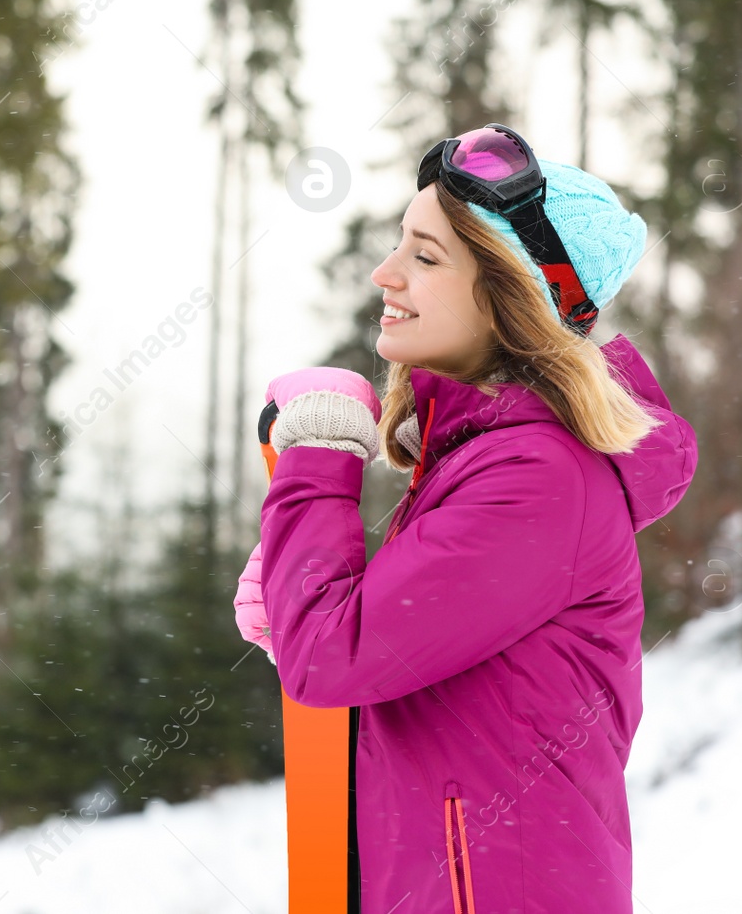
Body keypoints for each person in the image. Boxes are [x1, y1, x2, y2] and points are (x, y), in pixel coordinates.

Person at [234, 125, 698, 914]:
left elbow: (330, 658)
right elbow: (377, 661)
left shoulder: (538, 480)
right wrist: (305, 573)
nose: (386, 274)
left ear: (507, 297)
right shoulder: (489, 464)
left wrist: (318, 455)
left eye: (424, 255)